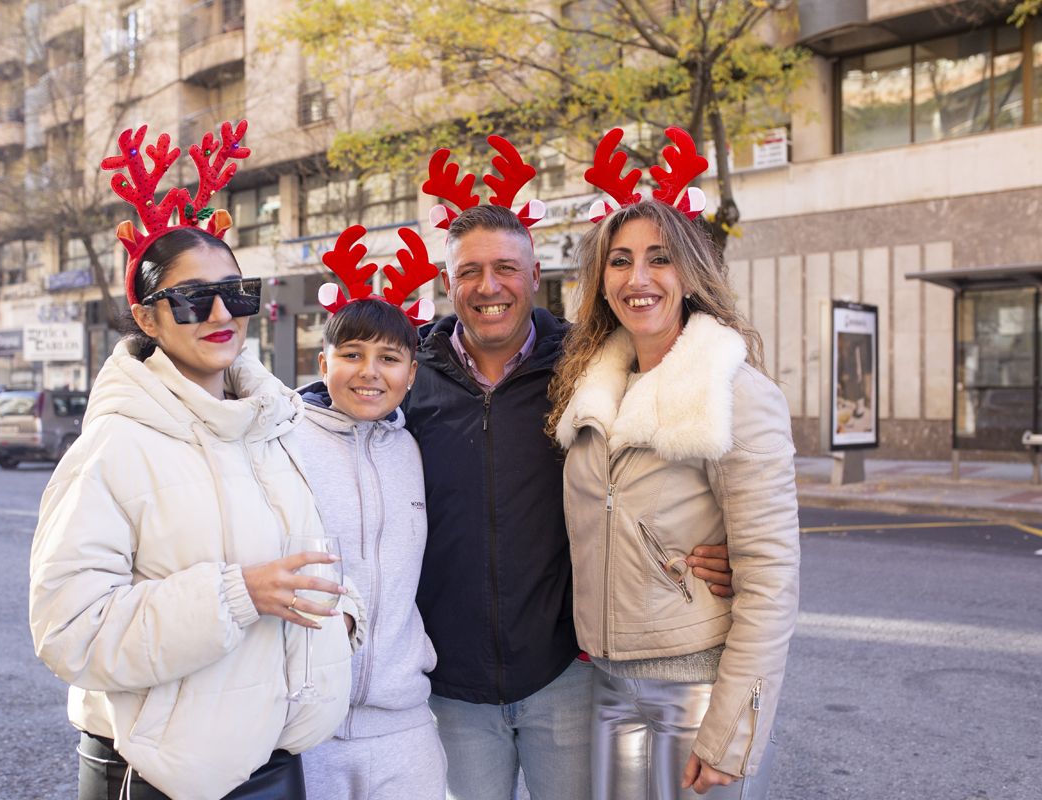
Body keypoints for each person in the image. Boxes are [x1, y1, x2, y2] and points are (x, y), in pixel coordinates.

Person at [30, 119, 363, 800]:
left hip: (276, 761)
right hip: (160, 776)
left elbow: (301, 561)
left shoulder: (271, 427)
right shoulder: (113, 447)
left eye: (237, 293)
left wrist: (342, 616)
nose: (221, 312)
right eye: (190, 298)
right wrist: (236, 595)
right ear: (146, 318)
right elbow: (69, 631)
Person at [404, 203, 735, 800]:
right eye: (469, 272)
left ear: (535, 276)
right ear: (445, 283)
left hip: (568, 675)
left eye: (506, 267)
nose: (488, 287)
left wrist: (723, 545)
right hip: (451, 688)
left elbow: (674, 449)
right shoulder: (407, 380)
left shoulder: (592, 367)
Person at [548, 198, 800, 799]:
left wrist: (731, 735)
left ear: (689, 274)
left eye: (659, 259)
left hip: (698, 689)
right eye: (620, 261)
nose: (637, 279)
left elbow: (771, 576)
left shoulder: (735, 392)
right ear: (601, 280)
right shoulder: (589, 392)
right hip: (609, 685)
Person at [297, 298, 447, 800]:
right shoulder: (281, 443)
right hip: (305, 727)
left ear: (411, 372)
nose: (369, 372)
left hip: (403, 723)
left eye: (388, 357)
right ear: (324, 363)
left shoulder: (414, 450)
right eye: (352, 354)